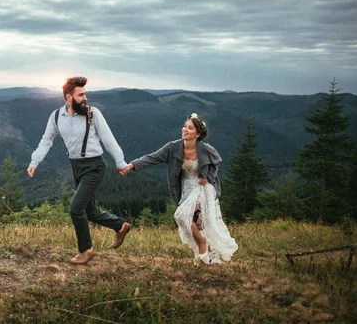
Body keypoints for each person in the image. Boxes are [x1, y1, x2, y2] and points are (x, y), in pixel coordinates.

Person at [27, 76, 131, 264]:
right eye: (80, 94)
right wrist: (35, 161)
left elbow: (109, 139)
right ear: (69, 97)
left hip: (95, 166)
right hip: (76, 167)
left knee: (76, 209)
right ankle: (120, 225)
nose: (85, 98)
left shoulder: (93, 114)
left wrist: (120, 162)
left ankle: (86, 250)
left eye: (85, 94)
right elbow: (46, 140)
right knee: (89, 211)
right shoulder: (57, 116)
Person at [119, 113, 238, 264]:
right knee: (189, 219)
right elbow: (152, 157)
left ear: (198, 134)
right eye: (184, 126)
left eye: (190, 128)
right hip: (186, 188)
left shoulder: (206, 149)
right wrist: (131, 165)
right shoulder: (172, 148)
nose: (185, 130)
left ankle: (202, 244)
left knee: (181, 215)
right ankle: (202, 251)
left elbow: (216, 162)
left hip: (203, 188)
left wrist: (207, 177)